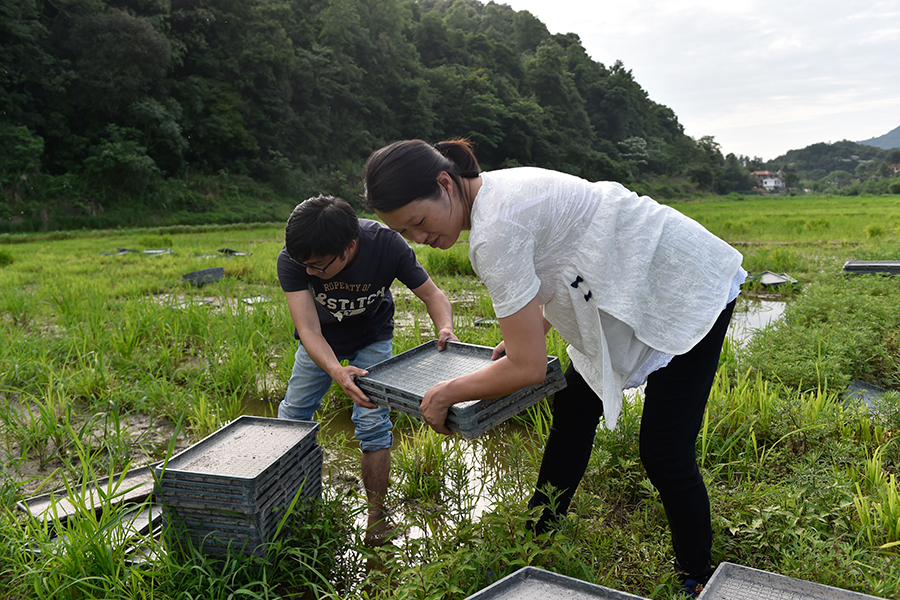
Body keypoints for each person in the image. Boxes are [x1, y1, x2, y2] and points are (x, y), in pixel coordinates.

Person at [363, 139, 746, 596]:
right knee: (573, 412)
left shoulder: (492, 233)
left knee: (664, 449)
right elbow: (564, 259)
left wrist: (448, 392)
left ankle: (696, 576)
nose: (419, 238)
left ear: (445, 184)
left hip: (682, 285)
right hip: (642, 275)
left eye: (419, 222)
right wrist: (531, 327)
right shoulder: (498, 190)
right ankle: (539, 535)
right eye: (406, 232)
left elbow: (526, 370)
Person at [276, 194, 457, 543]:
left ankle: (376, 517)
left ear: (349, 246)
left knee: (373, 423)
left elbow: (433, 295)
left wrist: (445, 327)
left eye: (318, 266)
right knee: (292, 417)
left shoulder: (386, 245)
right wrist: (335, 370)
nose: (310, 272)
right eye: (306, 266)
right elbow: (309, 330)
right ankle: (289, 508)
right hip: (321, 341)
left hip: (371, 337)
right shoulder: (293, 260)